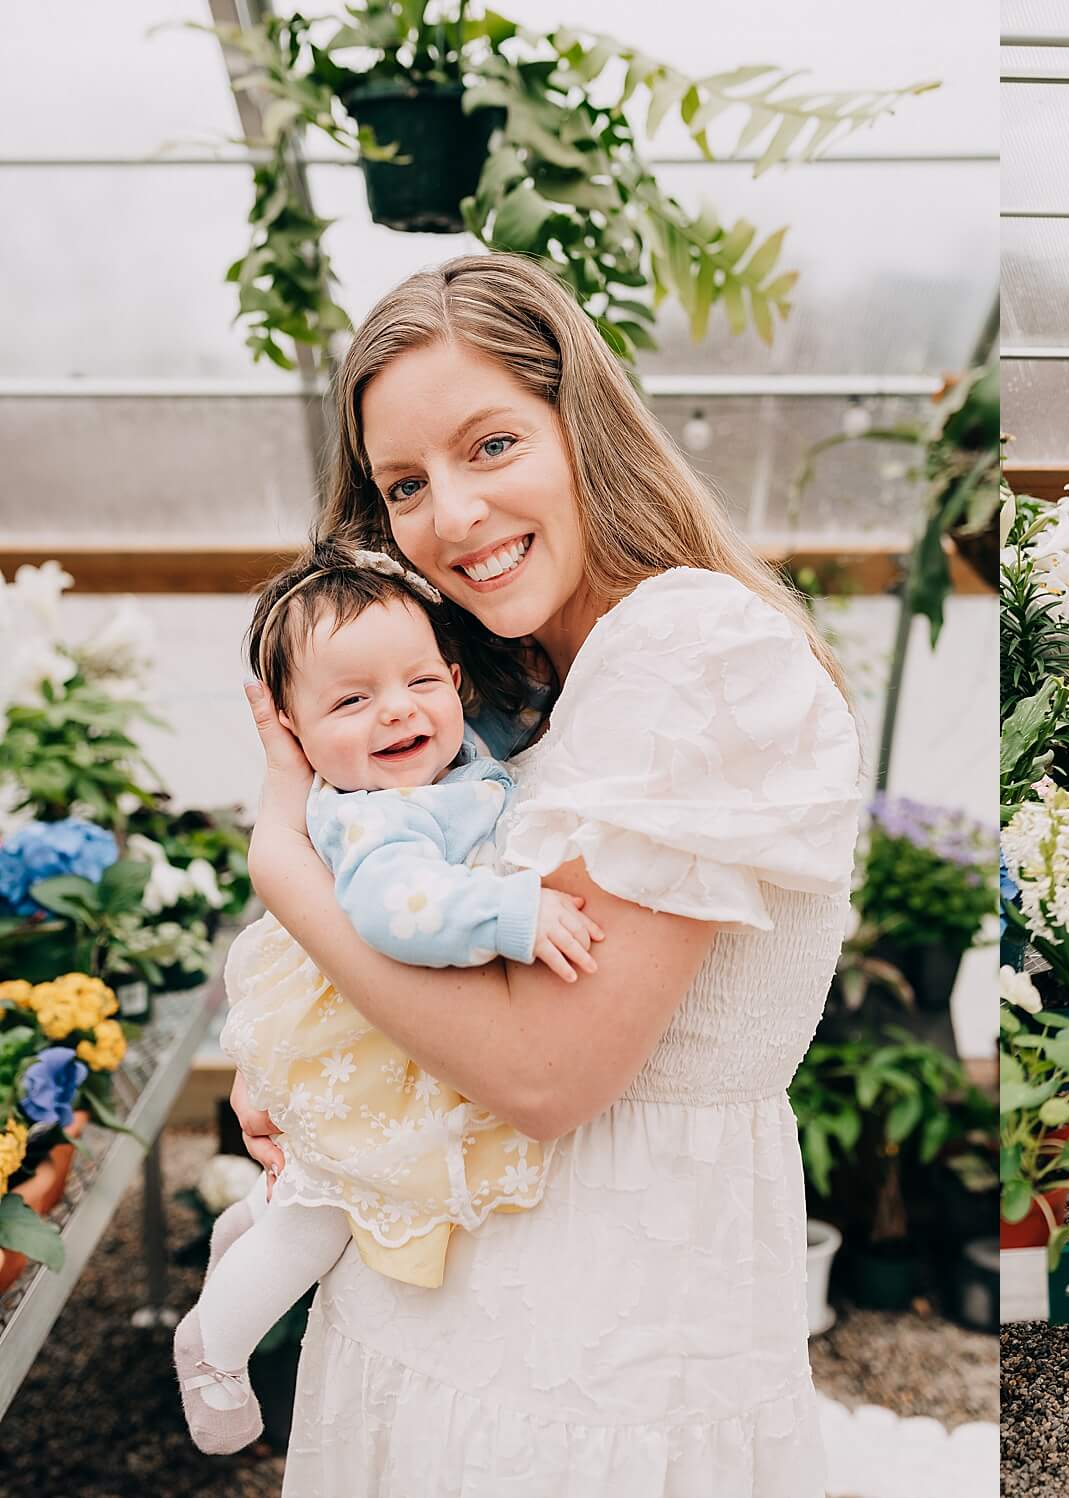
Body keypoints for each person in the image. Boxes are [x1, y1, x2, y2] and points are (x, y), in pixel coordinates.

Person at [232, 253, 862, 1495]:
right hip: (464, 1302)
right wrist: (313, 1086)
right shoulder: (528, 687)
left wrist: (282, 865)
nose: (451, 515)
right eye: (404, 483)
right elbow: (459, 972)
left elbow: (545, 1069)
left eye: (490, 445)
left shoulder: (689, 647)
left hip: (599, 1327)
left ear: (582, 426)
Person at [178, 542, 605, 1454]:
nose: (397, 710)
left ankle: (243, 1234)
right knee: (331, 1212)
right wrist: (510, 910)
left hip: (370, 1043)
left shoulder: (441, 763)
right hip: (360, 1053)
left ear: (454, 680)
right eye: (350, 701)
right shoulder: (378, 814)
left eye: (419, 680)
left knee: (315, 1195)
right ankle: (212, 1348)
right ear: (295, 734)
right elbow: (397, 910)